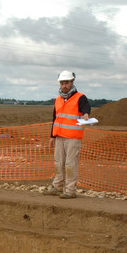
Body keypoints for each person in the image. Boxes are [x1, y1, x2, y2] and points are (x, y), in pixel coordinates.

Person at [42, 70, 91, 199]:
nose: (64, 85)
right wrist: (52, 136)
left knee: (70, 164)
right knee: (58, 162)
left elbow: (86, 108)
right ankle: (57, 187)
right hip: (59, 136)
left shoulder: (80, 97)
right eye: (62, 83)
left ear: (72, 82)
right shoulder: (58, 100)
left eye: (67, 83)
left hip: (73, 137)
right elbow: (55, 118)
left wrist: (86, 114)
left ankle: (70, 190)